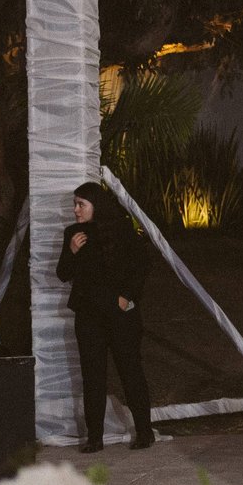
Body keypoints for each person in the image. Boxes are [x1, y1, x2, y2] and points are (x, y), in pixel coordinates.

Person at [59, 181, 155, 454]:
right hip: (89, 316)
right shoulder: (73, 233)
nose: (76, 210)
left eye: (81, 204)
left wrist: (126, 296)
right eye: (74, 204)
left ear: (95, 206)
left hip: (120, 315)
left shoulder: (122, 229)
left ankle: (145, 431)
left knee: (130, 372)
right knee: (92, 376)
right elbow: (63, 273)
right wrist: (73, 252)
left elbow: (143, 265)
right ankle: (94, 437)